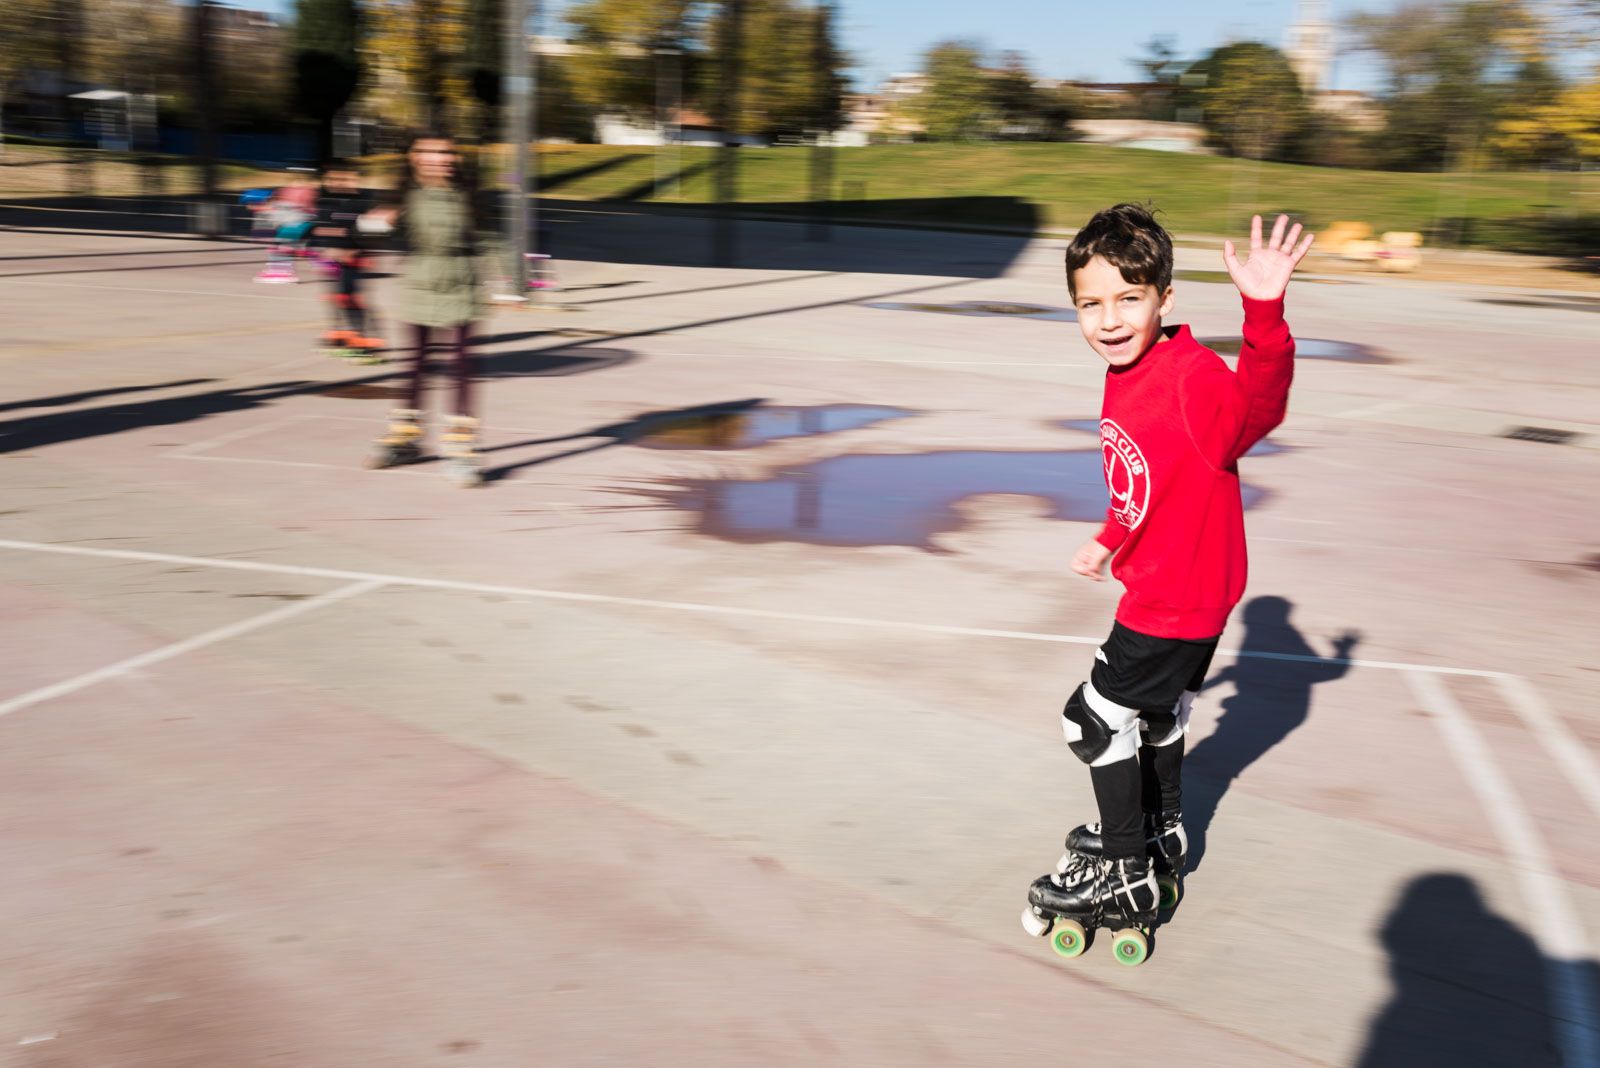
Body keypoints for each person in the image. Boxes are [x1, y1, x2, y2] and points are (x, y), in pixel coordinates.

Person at [1022, 205, 1313, 963]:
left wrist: (1264, 311)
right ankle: (1161, 830)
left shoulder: (1188, 376)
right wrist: (1109, 537)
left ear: (1165, 299)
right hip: (1182, 585)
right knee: (1156, 713)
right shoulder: (1129, 373)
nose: (1109, 320)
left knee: (1090, 721)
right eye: (1090, 303)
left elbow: (1256, 411)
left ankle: (1125, 871)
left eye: (1129, 298)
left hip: (1175, 596)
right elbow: (1143, 480)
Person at [363, 132, 494, 487]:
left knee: (461, 368)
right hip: (419, 283)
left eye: (449, 152)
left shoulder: (467, 195)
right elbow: (369, 235)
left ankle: (460, 449)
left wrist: (508, 281)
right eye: (434, 152)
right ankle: (405, 439)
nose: (445, 158)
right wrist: (377, 222)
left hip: (463, 283)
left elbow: (491, 238)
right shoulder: (404, 196)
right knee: (415, 366)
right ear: (415, 157)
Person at [311, 159, 383, 361]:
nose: (338, 183)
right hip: (331, 259)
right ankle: (339, 332)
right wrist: (324, 246)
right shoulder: (326, 200)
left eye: (344, 178)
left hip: (354, 259)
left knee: (352, 298)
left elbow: (374, 231)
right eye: (333, 179)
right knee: (335, 297)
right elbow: (320, 227)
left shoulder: (364, 201)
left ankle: (364, 336)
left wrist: (354, 248)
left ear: (354, 179)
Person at [250, 171, 318, 284]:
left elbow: (278, 208)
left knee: (281, 248)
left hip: (294, 225)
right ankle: (325, 263)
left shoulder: (297, 193)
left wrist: (260, 207)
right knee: (300, 248)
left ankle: (281, 273)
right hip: (300, 224)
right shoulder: (303, 191)